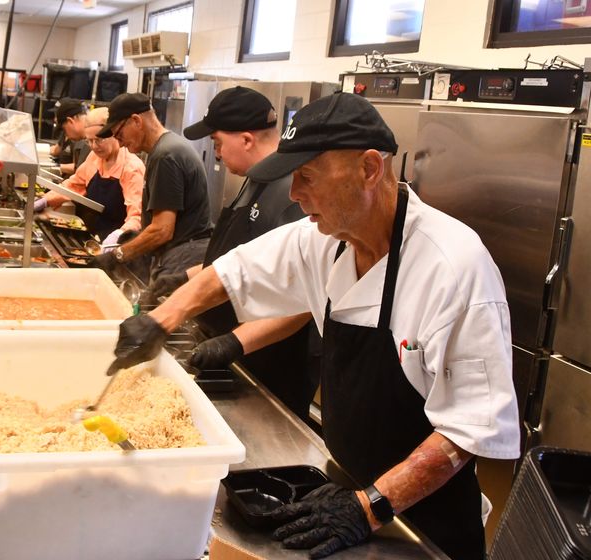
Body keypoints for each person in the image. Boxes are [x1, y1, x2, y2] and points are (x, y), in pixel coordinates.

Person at [106, 93, 520, 559]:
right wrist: (161, 321)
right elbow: (233, 271)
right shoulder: (326, 238)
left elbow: (467, 432)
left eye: (307, 177)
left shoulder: (454, 265)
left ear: (368, 169)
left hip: (421, 524)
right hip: (344, 486)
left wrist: (370, 506)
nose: (296, 192)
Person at [151, 86, 318, 420]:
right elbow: (240, 260)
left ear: (245, 139)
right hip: (236, 350)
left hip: (271, 364)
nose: (215, 153)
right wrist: (182, 279)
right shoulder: (255, 179)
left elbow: (304, 299)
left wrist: (234, 342)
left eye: (216, 143)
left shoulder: (292, 195)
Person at [92, 93, 211, 283]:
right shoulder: (165, 149)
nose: (120, 143)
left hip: (182, 258)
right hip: (179, 254)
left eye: (119, 134)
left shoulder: (166, 156)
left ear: (136, 121)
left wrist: (117, 255)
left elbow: (162, 230)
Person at [37, 107, 144, 245]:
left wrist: (119, 235)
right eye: (89, 141)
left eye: (99, 140)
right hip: (94, 237)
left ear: (114, 134)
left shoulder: (132, 168)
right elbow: (73, 185)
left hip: (119, 243)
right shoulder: (94, 158)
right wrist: (45, 200)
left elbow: (136, 216)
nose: (94, 146)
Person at [49, 98, 91, 177]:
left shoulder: (91, 142)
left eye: (64, 129)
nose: (66, 134)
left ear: (70, 121)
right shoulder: (86, 140)